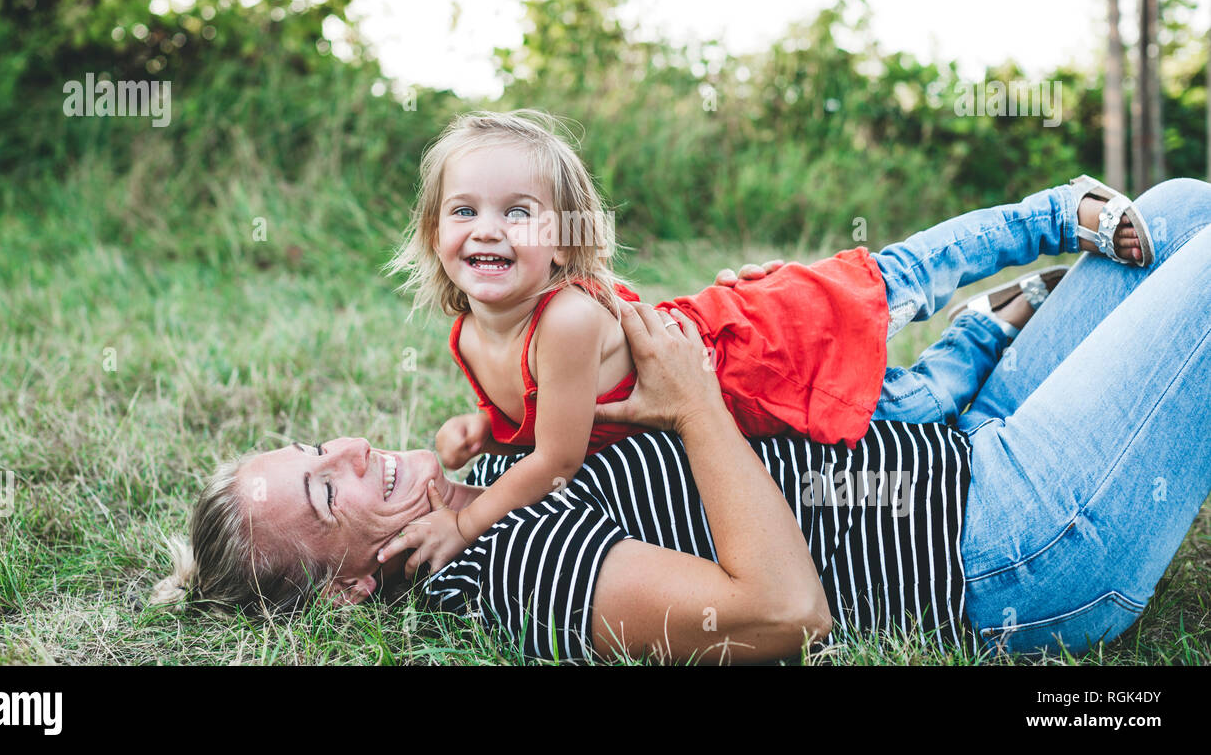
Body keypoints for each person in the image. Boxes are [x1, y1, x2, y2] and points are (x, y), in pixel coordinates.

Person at [150, 176, 1211, 664]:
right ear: (352, 582)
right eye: (326, 488)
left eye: (311, 447)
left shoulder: (495, 463)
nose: (343, 447)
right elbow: (787, 614)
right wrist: (694, 400)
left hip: (963, 449)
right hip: (1012, 549)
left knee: (1171, 213)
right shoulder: (518, 568)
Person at [381, 109, 1151, 572]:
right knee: (911, 412)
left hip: (759, 344)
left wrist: (466, 518)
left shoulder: (566, 320)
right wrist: (486, 427)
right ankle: (989, 324)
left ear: (565, 238)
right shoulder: (470, 330)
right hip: (750, 407)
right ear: (432, 228)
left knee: (906, 276)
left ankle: (1052, 212)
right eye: (464, 211)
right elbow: (548, 413)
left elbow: (556, 454)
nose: (487, 229)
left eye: (518, 212)